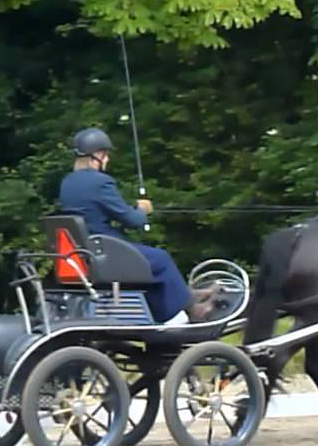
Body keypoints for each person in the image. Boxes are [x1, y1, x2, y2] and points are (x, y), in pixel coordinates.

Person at [57, 127, 215, 324]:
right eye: (105, 155)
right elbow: (132, 220)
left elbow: (98, 212)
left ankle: (185, 299)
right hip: (102, 251)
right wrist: (142, 210)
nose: (107, 160)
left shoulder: (67, 183)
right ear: (95, 155)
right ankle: (192, 309)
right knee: (160, 259)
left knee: (149, 264)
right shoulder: (100, 182)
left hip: (82, 253)